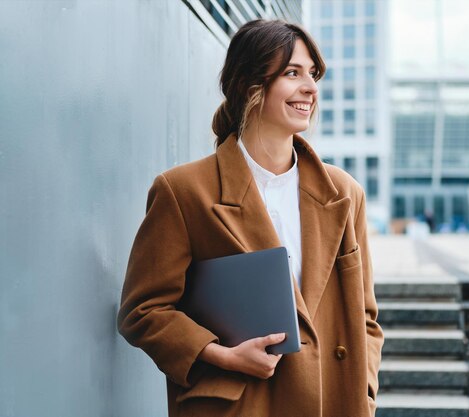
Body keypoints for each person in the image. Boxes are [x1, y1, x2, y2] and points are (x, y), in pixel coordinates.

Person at [117, 19, 384, 417]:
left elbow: (365, 317)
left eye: (313, 74)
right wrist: (220, 355)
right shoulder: (184, 191)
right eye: (293, 73)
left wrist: (363, 391)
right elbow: (143, 311)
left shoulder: (344, 193)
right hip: (242, 406)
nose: (310, 88)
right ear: (250, 85)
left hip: (334, 404)